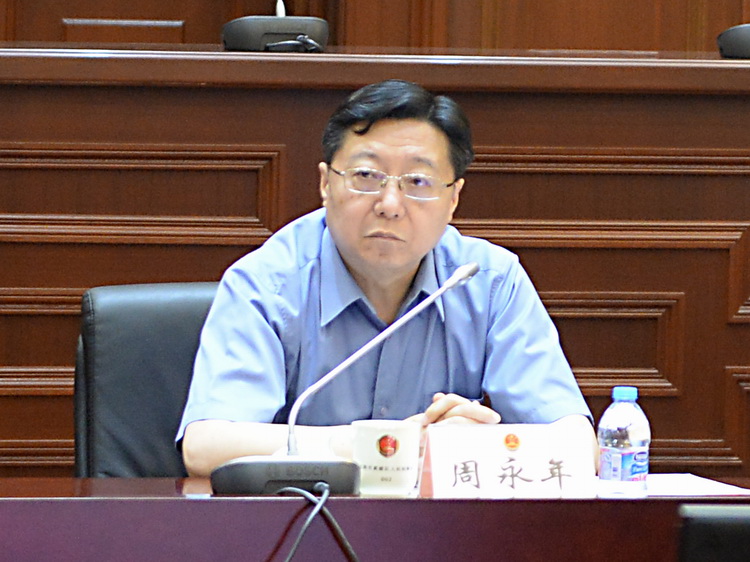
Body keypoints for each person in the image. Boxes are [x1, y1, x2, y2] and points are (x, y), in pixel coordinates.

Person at [178, 79, 596, 478]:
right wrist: (378, 445)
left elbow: (579, 445)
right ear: (325, 183)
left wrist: (474, 445)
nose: (390, 204)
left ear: (453, 198)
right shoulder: (266, 284)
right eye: (366, 176)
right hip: (304, 520)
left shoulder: (487, 281)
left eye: (418, 182)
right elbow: (206, 447)